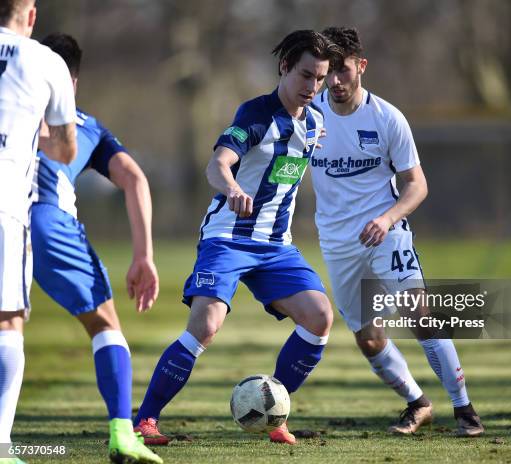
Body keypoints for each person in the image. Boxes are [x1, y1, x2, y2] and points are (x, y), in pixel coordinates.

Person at [133, 30, 342, 447]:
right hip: (227, 238)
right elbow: (218, 163)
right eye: (305, 75)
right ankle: (144, 421)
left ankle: (273, 411)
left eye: (319, 79)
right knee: (206, 325)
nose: (312, 87)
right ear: (284, 67)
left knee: (319, 317)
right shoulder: (256, 114)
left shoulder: (316, 120)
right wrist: (232, 189)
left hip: (276, 246)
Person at [311, 27, 485, 437]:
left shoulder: (388, 118)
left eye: (343, 70)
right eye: (327, 73)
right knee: (368, 339)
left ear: (361, 66)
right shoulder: (309, 115)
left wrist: (387, 219)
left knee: (418, 313)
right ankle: (418, 403)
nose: (334, 81)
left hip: (387, 234)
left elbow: (417, 184)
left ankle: (465, 411)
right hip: (337, 244)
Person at [31, 33, 162, 464]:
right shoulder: (83, 123)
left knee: (6, 327)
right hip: (47, 219)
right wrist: (143, 255)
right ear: (74, 81)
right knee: (105, 323)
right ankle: (123, 435)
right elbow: (134, 179)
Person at [0, 2, 76, 462]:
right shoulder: (47, 61)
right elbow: (67, 149)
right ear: (30, 15)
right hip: (5, 205)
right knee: (7, 320)